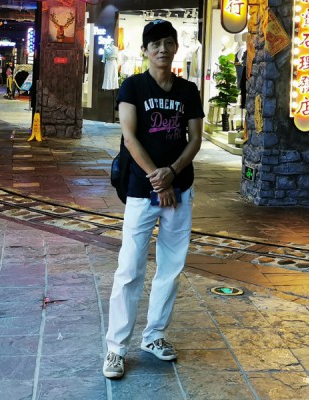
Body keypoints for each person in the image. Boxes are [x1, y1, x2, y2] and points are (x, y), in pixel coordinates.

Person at [103, 19, 204, 380]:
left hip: (180, 188)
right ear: (145, 50)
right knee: (130, 267)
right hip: (141, 190)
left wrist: (172, 173)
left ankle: (154, 336)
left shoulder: (188, 90)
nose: (162, 49)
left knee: (171, 266)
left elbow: (195, 139)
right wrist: (157, 180)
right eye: (155, 44)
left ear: (176, 47)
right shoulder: (133, 86)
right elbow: (130, 137)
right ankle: (116, 348)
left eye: (168, 42)